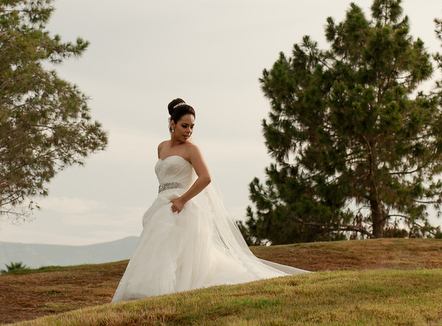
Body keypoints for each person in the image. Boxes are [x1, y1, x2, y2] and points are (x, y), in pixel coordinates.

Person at [111, 98, 306, 303]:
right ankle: (149, 294)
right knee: (159, 252)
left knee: (176, 253)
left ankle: (167, 293)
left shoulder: (191, 150)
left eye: (192, 127)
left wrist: (182, 200)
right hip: (161, 205)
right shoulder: (161, 148)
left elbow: (206, 178)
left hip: (181, 208)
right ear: (172, 124)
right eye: (184, 126)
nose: (189, 131)